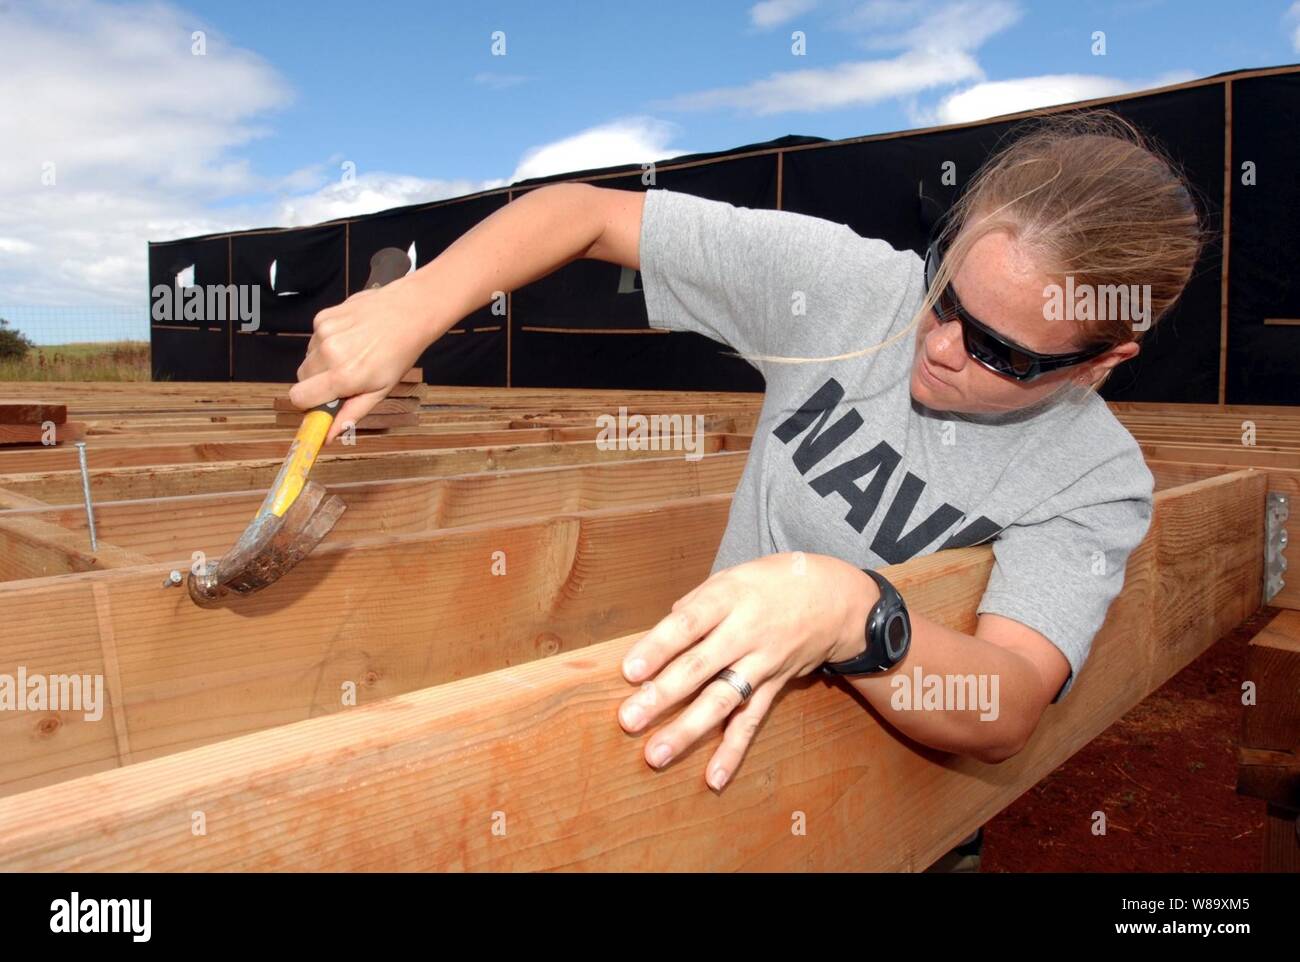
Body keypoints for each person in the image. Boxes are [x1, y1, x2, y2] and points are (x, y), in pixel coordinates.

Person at [291, 110, 1203, 871]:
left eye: (1001, 352)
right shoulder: (845, 292)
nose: (940, 345)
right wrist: (417, 305)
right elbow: (585, 216)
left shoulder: (1095, 478)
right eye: (947, 295)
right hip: (708, 766)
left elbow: (1004, 704)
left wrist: (853, 612)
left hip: (895, 823)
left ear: (1099, 364)